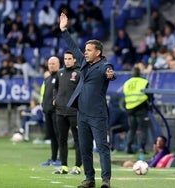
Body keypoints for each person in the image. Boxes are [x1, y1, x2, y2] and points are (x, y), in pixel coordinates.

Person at [60, 12, 116, 188]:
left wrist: (111, 74)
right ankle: (89, 179)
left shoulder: (103, 66)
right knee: (85, 149)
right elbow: (73, 46)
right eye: (85, 50)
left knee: (102, 147)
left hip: (97, 114)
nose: (85, 52)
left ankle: (105, 180)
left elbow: (110, 71)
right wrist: (64, 30)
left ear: (98, 52)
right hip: (82, 113)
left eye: (89, 50)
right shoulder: (84, 63)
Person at [53, 51, 82, 175]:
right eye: (65, 59)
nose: (67, 61)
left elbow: (82, 91)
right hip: (60, 112)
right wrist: (55, 98)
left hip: (74, 113)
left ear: (74, 60)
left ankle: (77, 166)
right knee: (62, 139)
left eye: (70, 59)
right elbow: (56, 87)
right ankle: (64, 166)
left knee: (77, 140)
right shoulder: (60, 73)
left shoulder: (79, 73)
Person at [123, 67, 150, 154]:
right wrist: (149, 104)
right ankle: (142, 148)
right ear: (140, 73)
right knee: (143, 128)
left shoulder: (127, 83)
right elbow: (149, 93)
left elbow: (125, 95)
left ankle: (128, 147)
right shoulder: (144, 81)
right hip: (141, 107)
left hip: (130, 108)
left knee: (132, 128)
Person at [40, 56, 61, 167]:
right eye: (50, 63)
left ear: (58, 64)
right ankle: (53, 158)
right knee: (52, 136)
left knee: (59, 136)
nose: (51, 65)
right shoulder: (48, 79)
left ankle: (61, 158)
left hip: (56, 112)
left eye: (53, 63)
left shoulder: (60, 77)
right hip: (47, 112)